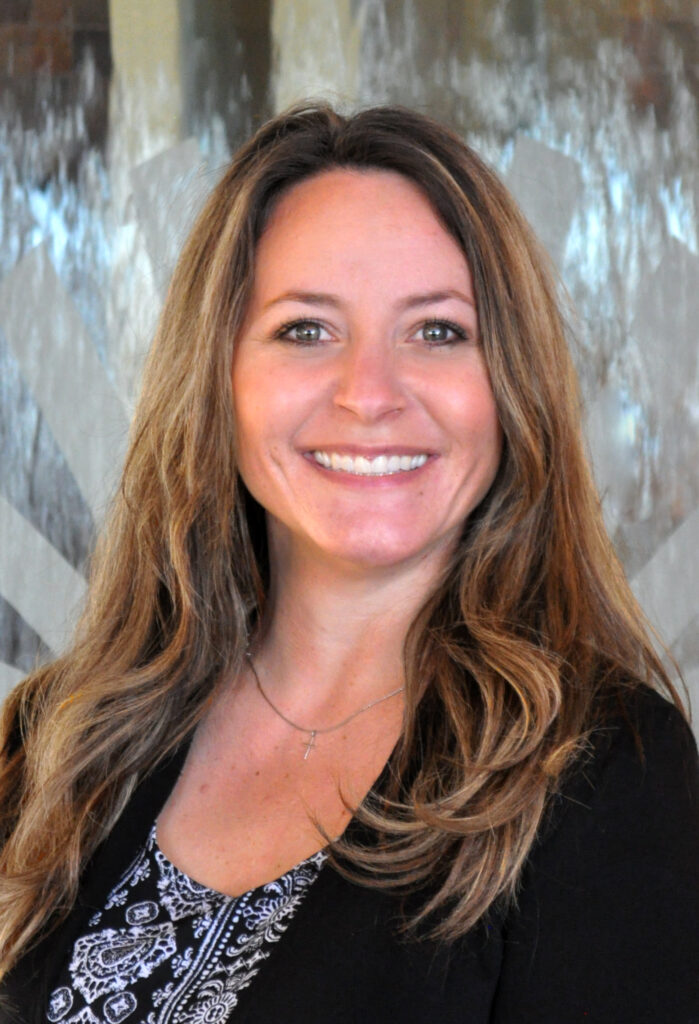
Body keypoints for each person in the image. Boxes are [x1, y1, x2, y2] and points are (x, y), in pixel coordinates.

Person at [0, 103, 697, 1024]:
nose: (369, 394)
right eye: (304, 330)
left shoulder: (604, 770)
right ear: (218, 380)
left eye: (438, 331)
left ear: (510, 386)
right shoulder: (56, 739)